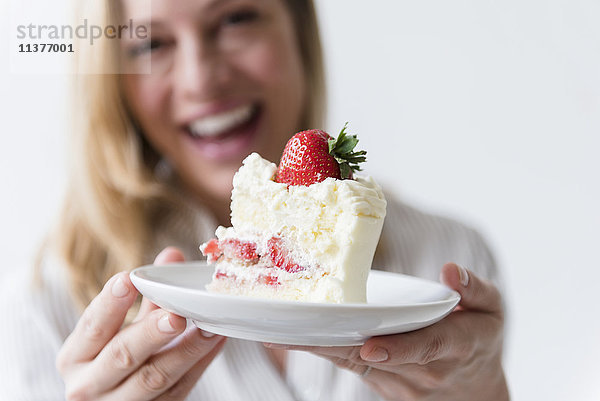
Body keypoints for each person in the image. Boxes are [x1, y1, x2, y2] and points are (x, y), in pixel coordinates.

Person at [0, 0, 509, 400]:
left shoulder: (445, 261)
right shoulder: (48, 301)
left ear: (298, 32)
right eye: (150, 44)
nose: (202, 79)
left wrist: (484, 397)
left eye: (235, 19)